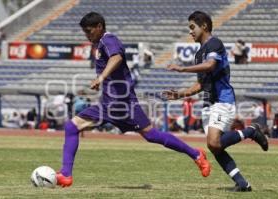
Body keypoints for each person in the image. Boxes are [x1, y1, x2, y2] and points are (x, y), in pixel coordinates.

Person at [56, 12, 211, 187]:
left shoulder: (109, 40)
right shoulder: (100, 44)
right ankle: (66, 174)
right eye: (85, 32)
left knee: (152, 136)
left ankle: (197, 155)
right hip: (108, 104)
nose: (87, 35)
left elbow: (117, 57)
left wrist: (101, 78)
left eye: (89, 31)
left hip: (123, 104)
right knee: (72, 126)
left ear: (99, 27)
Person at [163, 11, 268, 192]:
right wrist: (180, 94)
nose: (190, 32)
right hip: (208, 104)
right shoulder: (198, 55)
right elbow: (200, 84)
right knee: (215, 147)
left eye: (192, 27)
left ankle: (251, 131)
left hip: (223, 99)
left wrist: (181, 69)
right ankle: (242, 183)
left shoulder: (215, 43)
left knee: (213, 142)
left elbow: (211, 65)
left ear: (204, 26)